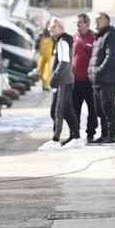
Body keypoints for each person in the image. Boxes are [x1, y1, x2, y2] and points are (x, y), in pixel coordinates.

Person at [40, 17, 80, 150]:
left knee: (57, 111)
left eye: (53, 26)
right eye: (50, 26)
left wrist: (54, 78)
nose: (50, 28)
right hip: (64, 81)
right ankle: (77, 138)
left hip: (63, 81)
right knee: (67, 110)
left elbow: (64, 63)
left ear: (61, 28)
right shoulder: (58, 42)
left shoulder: (63, 41)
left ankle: (55, 140)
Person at [88, 12, 115, 144]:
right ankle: (104, 134)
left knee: (108, 108)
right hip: (97, 80)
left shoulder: (110, 36)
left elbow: (111, 57)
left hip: (107, 79)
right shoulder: (99, 37)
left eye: (99, 19)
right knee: (100, 110)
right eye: (95, 19)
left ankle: (111, 135)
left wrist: (98, 71)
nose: (96, 21)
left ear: (106, 21)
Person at [71, 13, 99, 143]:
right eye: (76, 22)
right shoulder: (73, 38)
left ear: (87, 24)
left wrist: (84, 45)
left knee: (92, 110)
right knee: (74, 110)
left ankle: (91, 134)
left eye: (80, 22)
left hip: (89, 81)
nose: (78, 25)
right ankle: (74, 135)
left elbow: (94, 52)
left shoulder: (93, 37)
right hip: (75, 81)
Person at [35, 26, 55, 91]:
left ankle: (45, 85)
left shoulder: (52, 37)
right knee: (41, 71)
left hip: (48, 57)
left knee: (46, 71)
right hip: (41, 56)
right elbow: (36, 46)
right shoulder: (40, 36)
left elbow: (54, 44)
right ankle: (44, 85)